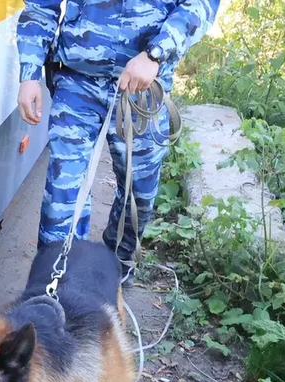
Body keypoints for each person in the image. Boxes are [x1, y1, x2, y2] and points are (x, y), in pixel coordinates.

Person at [16, 0, 220, 284]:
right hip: (78, 83)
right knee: (64, 194)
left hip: (144, 90)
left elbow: (199, 5)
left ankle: (114, 269)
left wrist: (155, 54)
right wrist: (29, 74)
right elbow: (40, 8)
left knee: (140, 194)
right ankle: (56, 284)